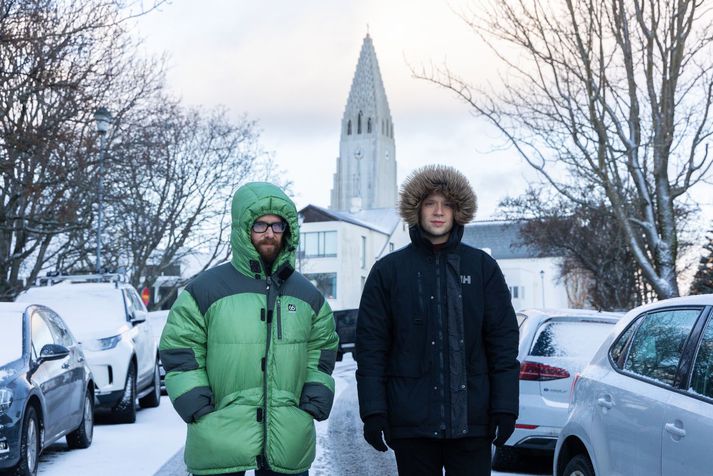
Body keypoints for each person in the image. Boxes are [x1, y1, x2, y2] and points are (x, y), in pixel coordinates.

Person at [159, 182, 339, 476]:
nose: (269, 233)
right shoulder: (205, 290)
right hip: (219, 433)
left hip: (286, 435)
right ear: (243, 229)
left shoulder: (308, 296)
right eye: (260, 225)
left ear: (288, 231)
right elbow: (180, 349)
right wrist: (197, 406)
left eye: (277, 225)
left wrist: (312, 400)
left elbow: (322, 349)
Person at [355, 165, 520, 476]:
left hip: (472, 424)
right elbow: (371, 348)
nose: (439, 211)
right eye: (430, 203)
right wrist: (374, 411)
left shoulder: (482, 267)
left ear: (459, 211)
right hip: (411, 426)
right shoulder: (388, 272)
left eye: (447, 204)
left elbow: (502, 343)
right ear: (416, 211)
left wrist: (505, 407)